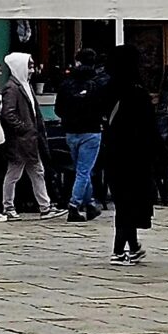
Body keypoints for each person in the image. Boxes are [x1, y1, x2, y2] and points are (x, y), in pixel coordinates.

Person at [97, 44, 167, 264]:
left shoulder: (107, 88)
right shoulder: (136, 92)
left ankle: (133, 246)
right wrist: (161, 155)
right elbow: (149, 128)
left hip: (113, 153)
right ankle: (119, 250)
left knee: (124, 202)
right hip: (136, 156)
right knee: (130, 204)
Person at [0, 50, 48, 220]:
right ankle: (8, 206)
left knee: (37, 171)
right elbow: (8, 113)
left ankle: (45, 206)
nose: (32, 70)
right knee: (15, 173)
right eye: (29, 66)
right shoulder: (12, 88)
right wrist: (23, 127)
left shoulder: (24, 86)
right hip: (21, 141)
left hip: (29, 139)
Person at [57, 48, 109, 220]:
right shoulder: (98, 84)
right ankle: (74, 205)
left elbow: (58, 109)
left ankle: (90, 204)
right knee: (84, 171)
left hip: (71, 132)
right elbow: (103, 108)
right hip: (91, 131)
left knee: (82, 169)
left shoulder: (66, 84)